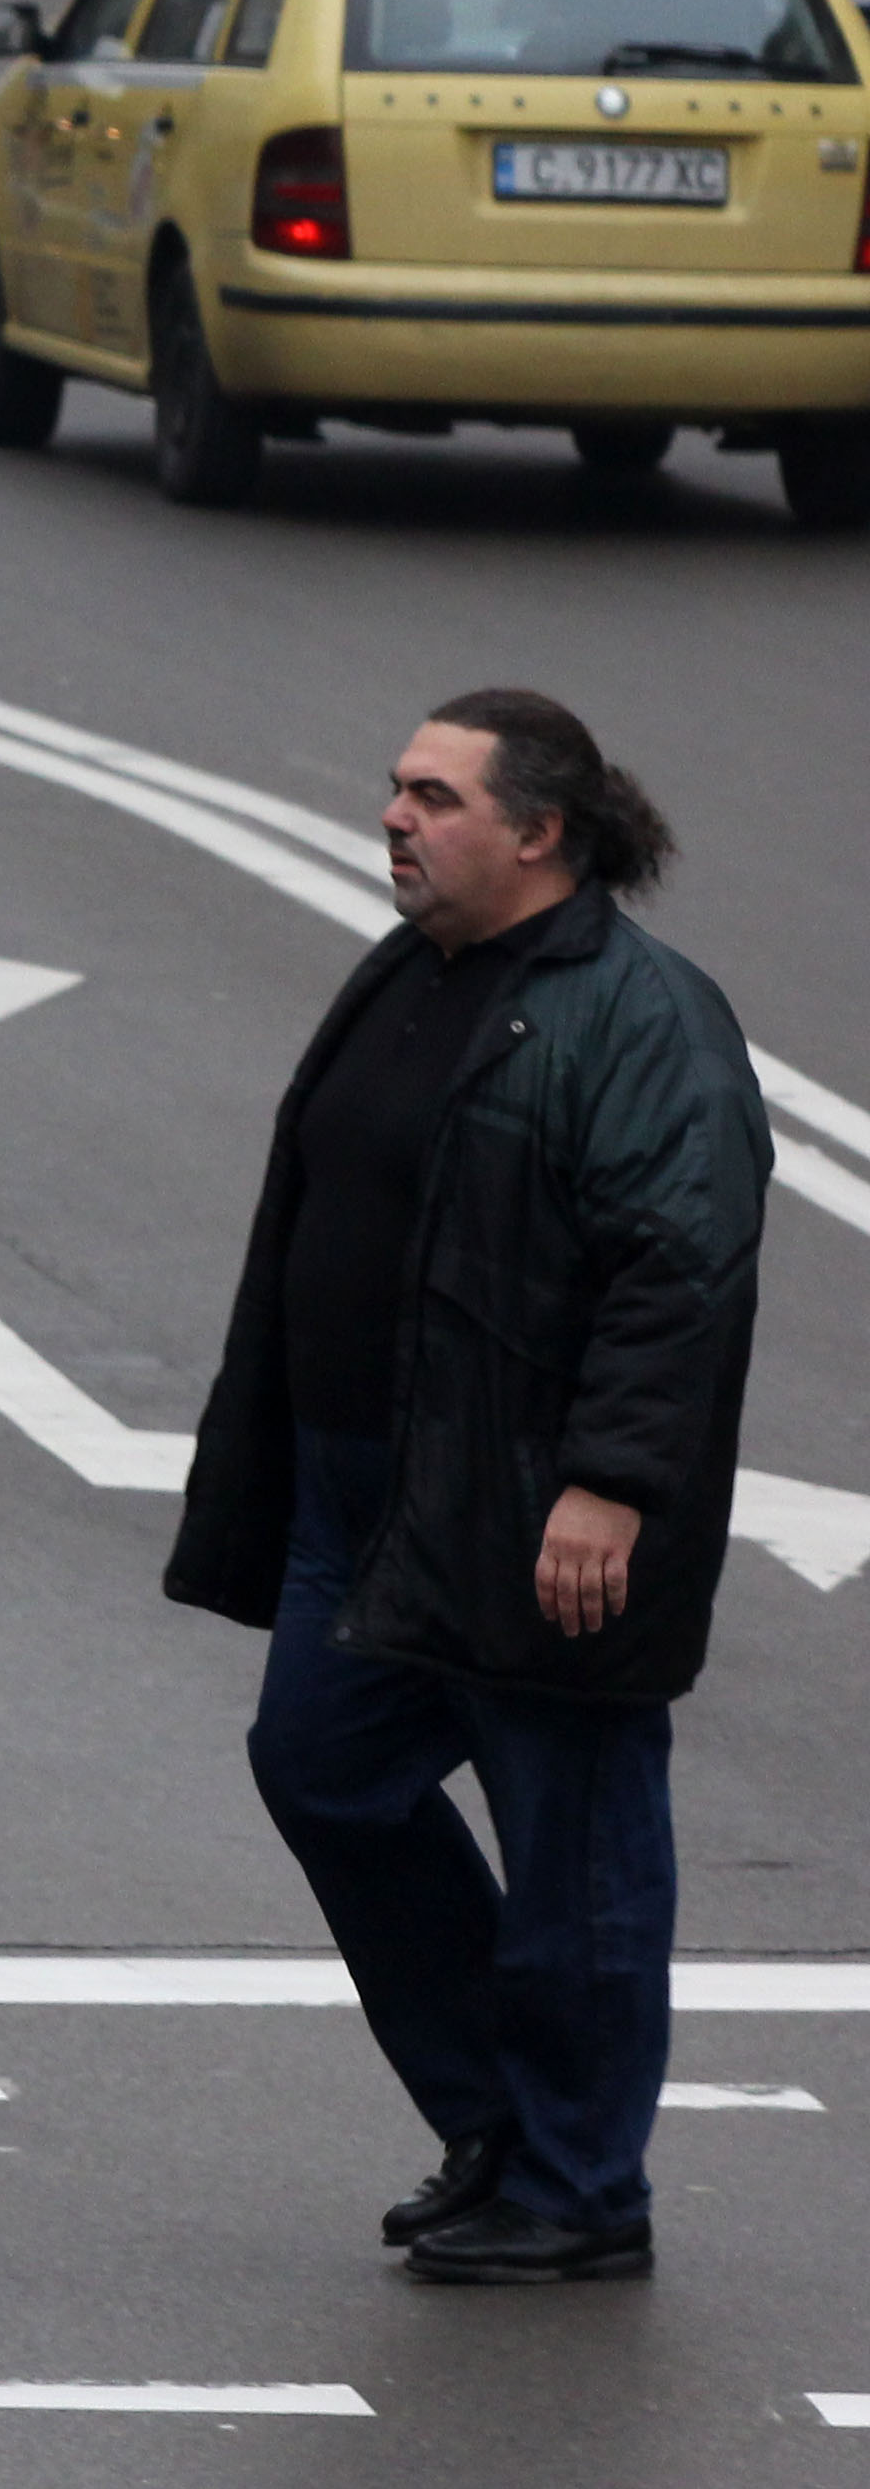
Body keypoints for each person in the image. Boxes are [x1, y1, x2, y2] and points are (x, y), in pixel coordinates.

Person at [166, 690, 768, 2285]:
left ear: (540, 831)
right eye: (395, 789)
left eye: (434, 795)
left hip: (531, 1505)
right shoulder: (416, 974)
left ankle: (582, 2190)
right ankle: (496, 2117)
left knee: (578, 1851)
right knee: (322, 1767)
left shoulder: (642, 1019)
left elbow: (679, 1271)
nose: (396, 817)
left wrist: (611, 1486)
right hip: (365, 1498)